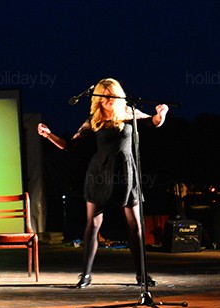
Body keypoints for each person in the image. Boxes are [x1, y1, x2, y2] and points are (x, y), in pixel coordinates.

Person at [38, 78, 169, 288]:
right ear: (98, 99)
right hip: (99, 174)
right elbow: (70, 145)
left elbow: (153, 122)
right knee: (93, 224)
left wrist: (161, 114)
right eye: (105, 96)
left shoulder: (129, 113)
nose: (109, 99)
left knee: (135, 225)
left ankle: (142, 275)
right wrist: (48, 135)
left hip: (126, 174)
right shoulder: (94, 120)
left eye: (112, 95)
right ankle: (86, 275)